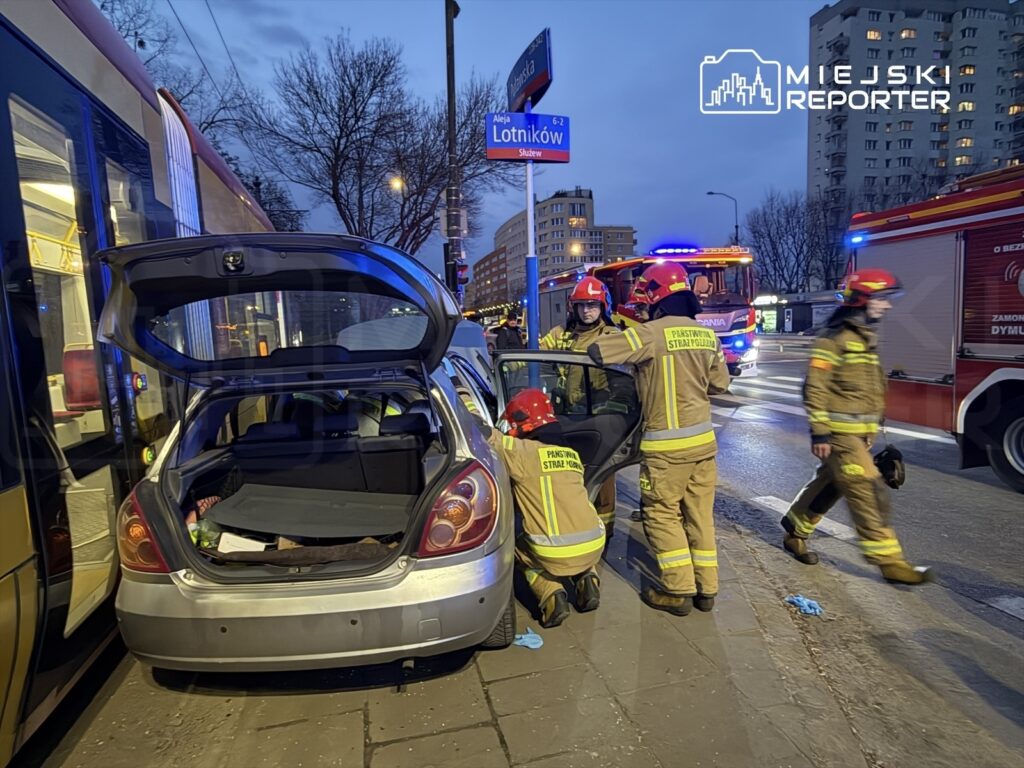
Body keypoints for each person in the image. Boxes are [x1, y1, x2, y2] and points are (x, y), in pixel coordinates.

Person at [588, 263, 731, 615]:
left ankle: (677, 590)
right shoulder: (706, 335)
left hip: (666, 450)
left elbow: (597, 353)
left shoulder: (649, 334)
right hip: (703, 445)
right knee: (699, 515)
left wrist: (628, 334)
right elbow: (720, 384)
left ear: (654, 298)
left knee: (661, 513)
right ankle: (707, 589)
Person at [781, 268, 934, 585]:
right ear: (863, 299)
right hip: (839, 436)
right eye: (882, 298)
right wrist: (820, 432)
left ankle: (795, 530)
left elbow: (869, 388)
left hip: (857, 434)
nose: (888, 305)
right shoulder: (833, 340)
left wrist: (871, 429)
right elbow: (815, 388)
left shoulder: (864, 338)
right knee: (867, 491)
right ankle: (890, 562)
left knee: (831, 484)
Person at [486, 388, 606, 628]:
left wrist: (460, 393)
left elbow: (487, 436)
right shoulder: (571, 454)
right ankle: (588, 579)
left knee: (516, 546)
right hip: (595, 544)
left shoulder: (522, 452)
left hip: (554, 552)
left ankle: (551, 595)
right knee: (572, 528)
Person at [539, 276, 621, 537]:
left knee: (603, 475)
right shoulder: (561, 334)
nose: (587, 311)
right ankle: (575, 523)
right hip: (566, 414)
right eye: (582, 305)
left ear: (603, 307)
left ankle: (605, 529)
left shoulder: (611, 336)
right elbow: (535, 354)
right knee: (568, 472)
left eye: (593, 305)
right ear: (573, 307)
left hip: (599, 414)